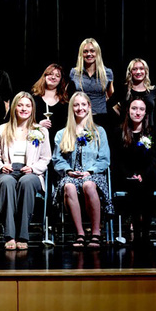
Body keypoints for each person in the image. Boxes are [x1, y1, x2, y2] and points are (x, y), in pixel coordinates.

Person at [0, 92, 51, 250]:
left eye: (27, 106)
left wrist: (33, 168)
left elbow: (45, 158)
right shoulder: (2, 130)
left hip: (30, 172)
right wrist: (1, 166)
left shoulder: (40, 131)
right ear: (13, 107)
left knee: (27, 182)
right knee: (6, 182)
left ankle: (23, 235)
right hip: (8, 171)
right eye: (20, 105)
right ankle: (10, 235)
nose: (24, 108)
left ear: (32, 109)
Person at [52, 92, 111, 249]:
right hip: (70, 174)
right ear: (72, 108)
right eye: (76, 105)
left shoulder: (99, 132)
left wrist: (89, 172)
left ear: (89, 107)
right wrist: (69, 171)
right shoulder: (62, 134)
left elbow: (104, 159)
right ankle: (80, 233)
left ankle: (96, 232)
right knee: (69, 186)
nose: (80, 108)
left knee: (88, 185)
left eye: (83, 104)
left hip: (93, 174)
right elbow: (57, 159)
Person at [112, 97, 156, 246]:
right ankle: (135, 232)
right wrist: (129, 175)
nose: (137, 112)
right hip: (126, 176)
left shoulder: (153, 132)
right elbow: (117, 159)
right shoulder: (119, 132)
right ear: (128, 110)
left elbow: (154, 159)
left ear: (146, 113)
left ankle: (144, 233)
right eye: (134, 108)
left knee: (145, 186)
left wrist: (142, 175)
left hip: (147, 175)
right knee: (134, 186)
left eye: (141, 109)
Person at [69, 38, 114, 127]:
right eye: (85, 51)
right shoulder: (74, 72)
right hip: (80, 117)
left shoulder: (107, 73)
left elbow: (111, 94)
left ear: (97, 53)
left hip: (101, 117)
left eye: (92, 51)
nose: (89, 54)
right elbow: (70, 95)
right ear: (81, 54)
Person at [112, 58, 156, 128]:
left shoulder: (154, 91)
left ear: (146, 71)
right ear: (130, 72)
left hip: (149, 131)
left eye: (141, 68)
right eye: (134, 69)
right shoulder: (124, 89)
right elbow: (110, 105)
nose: (138, 72)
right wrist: (122, 116)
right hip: (126, 131)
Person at [31, 63, 70, 144]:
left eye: (57, 76)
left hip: (59, 144)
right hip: (37, 143)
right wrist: (38, 125)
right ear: (44, 76)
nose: (53, 77)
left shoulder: (65, 101)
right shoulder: (34, 98)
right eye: (50, 74)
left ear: (61, 80)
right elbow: (25, 122)